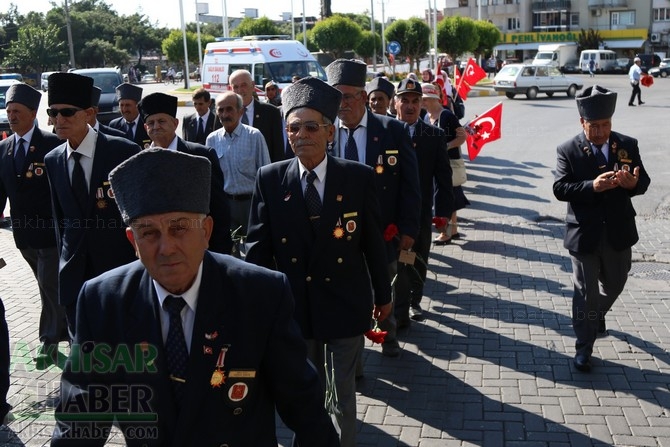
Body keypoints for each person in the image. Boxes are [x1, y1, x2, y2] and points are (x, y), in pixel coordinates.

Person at [51, 148, 340, 446]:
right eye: (149, 233)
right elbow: (82, 414)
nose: (166, 248)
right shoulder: (103, 301)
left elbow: (304, 408)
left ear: (206, 231)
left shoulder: (260, 294)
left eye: (179, 229)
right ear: (132, 242)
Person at [245, 77, 391, 447]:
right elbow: (257, 248)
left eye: (311, 127)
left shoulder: (356, 177)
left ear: (329, 132)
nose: (301, 135)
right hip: (296, 308)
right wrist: (253, 304)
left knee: (343, 391)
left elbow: (373, 242)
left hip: (346, 301)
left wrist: (383, 294)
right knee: (304, 390)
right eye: (294, 128)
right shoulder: (271, 179)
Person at [326, 58, 421, 358]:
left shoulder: (391, 130)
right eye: (336, 97)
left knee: (385, 283)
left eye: (349, 96)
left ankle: (388, 334)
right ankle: (355, 352)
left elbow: (410, 185)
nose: (342, 104)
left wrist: (408, 228)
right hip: (340, 228)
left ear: (363, 98)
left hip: (383, 228)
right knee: (347, 290)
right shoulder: (324, 134)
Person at [553, 85, 650, 372]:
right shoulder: (568, 150)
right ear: (582, 123)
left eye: (605, 125)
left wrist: (633, 185)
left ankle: (594, 316)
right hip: (584, 233)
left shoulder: (627, 145)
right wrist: (591, 186)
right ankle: (584, 347)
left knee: (616, 285)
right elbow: (560, 188)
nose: (600, 132)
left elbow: (642, 180)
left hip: (618, 231)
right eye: (593, 126)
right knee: (586, 293)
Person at [44, 72, 141, 335]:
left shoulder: (123, 152)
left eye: (67, 112)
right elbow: (60, 221)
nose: (58, 120)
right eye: (53, 113)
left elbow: (140, 214)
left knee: (125, 351)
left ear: (88, 114)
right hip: (75, 277)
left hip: (119, 271)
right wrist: (64, 264)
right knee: (86, 357)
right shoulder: (53, 160)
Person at [0, 83, 68, 369]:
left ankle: (50, 340)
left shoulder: (52, 144)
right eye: (8, 110)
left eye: (17, 111)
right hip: (23, 235)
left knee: (49, 283)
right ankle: (63, 332)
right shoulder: (3, 148)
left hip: (50, 234)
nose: (11, 116)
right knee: (45, 285)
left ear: (32, 112)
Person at [138, 92, 233, 255]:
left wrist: (219, 252)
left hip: (200, 247)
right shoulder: (140, 162)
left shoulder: (201, 156)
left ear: (175, 123)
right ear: (145, 128)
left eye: (161, 121)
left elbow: (219, 209)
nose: (156, 126)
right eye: (150, 123)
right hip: (161, 251)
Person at [392, 78, 454, 322]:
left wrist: (443, 213)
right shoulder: (384, 132)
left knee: (417, 259)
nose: (410, 106)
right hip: (389, 212)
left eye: (415, 101)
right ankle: (394, 302)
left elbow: (443, 177)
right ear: (395, 102)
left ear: (422, 105)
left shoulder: (433, 135)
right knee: (392, 262)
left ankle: (414, 301)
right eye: (404, 100)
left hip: (420, 213)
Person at [206, 91, 270, 239]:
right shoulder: (212, 140)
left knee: (254, 249)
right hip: (226, 204)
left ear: (240, 111)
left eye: (229, 109)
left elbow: (265, 174)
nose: (224, 114)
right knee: (230, 252)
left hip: (251, 204)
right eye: (220, 110)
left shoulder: (254, 136)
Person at [422, 82, 468, 245]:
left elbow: (462, 137)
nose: (422, 103)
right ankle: (452, 230)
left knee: (445, 200)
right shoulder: (426, 117)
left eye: (425, 99)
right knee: (450, 200)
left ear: (434, 99)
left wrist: (445, 146)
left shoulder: (447, 116)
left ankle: (446, 233)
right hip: (435, 165)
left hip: (449, 165)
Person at [229, 70, 286, 163]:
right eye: (235, 87)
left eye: (243, 85)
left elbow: (278, 150)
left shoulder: (271, 112)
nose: (239, 90)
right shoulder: (225, 114)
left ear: (253, 85)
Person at [109, 83, 151, 148]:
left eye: (128, 105)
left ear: (138, 105)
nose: (124, 109)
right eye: (121, 105)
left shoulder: (148, 124)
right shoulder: (114, 125)